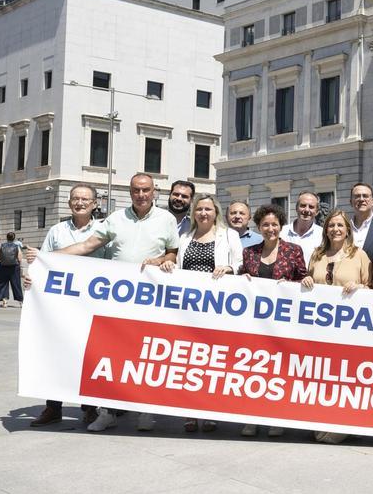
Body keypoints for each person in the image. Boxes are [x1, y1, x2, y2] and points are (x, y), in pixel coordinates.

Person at [59, 172, 179, 432]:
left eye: (146, 190)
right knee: (113, 355)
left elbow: (172, 251)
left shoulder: (166, 219)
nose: (141, 195)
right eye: (136, 190)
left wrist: (160, 260)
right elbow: (87, 245)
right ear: (130, 192)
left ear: (154, 192)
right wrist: (48, 258)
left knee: (147, 355)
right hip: (118, 300)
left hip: (151, 299)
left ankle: (146, 411)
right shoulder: (115, 218)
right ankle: (108, 411)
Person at [25, 184, 107, 426]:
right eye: (75, 199)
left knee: (89, 355)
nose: (79, 203)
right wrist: (33, 277)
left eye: (85, 199)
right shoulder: (57, 230)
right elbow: (44, 262)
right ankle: (53, 407)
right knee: (56, 352)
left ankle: (90, 407)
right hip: (60, 304)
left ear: (94, 204)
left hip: (92, 303)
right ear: (69, 202)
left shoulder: (103, 230)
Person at [171, 194, 243, 433]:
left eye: (208, 209)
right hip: (188, 309)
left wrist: (230, 268)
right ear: (194, 213)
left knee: (213, 361)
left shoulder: (229, 235)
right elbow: (178, 264)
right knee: (188, 361)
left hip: (217, 308)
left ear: (216, 213)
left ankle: (211, 411)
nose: (203, 213)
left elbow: (242, 263)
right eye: (199, 209)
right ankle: (189, 412)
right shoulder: (184, 237)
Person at [301, 209, 371, 444]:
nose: (336, 229)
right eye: (331, 226)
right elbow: (308, 282)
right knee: (321, 376)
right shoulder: (316, 254)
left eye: (340, 225)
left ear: (347, 230)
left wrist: (361, 288)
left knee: (345, 377)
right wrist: (306, 280)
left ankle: (341, 425)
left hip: (350, 330)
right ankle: (320, 420)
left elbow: (371, 286)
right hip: (319, 329)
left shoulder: (359, 255)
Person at [239, 204, 308, 437]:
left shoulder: (294, 250)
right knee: (254, 370)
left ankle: (275, 418)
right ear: (259, 227)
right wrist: (242, 278)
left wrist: (302, 282)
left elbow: (303, 277)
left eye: (274, 224)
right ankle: (251, 418)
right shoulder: (249, 252)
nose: (270, 229)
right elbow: (241, 279)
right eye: (265, 225)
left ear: (281, 226)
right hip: (256, 323)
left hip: (282, 324)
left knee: (278, 372)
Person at [281, 191, 322, 266]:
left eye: (311, 207)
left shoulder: (323, 235)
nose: (306, 210)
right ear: (296, 208)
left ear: (317, 211)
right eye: (303, 205)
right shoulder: (282, 232)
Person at [351, 182, 373, 262]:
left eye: (365, 196)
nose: (361, 199)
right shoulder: (344, 228)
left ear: (372, 202)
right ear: (351, 202)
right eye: (357, 196)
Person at [0, 231, 25, 308]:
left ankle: (5, 301)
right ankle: (21, 301)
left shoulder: (1, 245)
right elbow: (20, 258)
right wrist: (20, 266)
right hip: (14, 268)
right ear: (14, 238)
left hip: (3, 267)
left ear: (6, 237)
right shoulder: (16, 246)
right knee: (16, 284)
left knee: (2, 284)